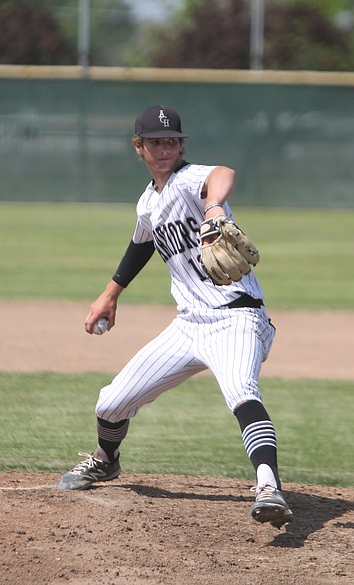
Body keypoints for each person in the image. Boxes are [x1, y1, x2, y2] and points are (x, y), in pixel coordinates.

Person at [56, 104, 294, 529]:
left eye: (172, 141)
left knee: (241, 391)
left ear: (180, 145)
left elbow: (222, 173)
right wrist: (110, 294)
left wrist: (214, 208)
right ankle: (106, 461)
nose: (165, 149)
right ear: (139, 147)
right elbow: (141, 244)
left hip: (236, 317)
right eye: (155, 142)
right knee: (110, 403)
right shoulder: (148, 201)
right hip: (188, 326)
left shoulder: (190, 180)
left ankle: (268, 486)